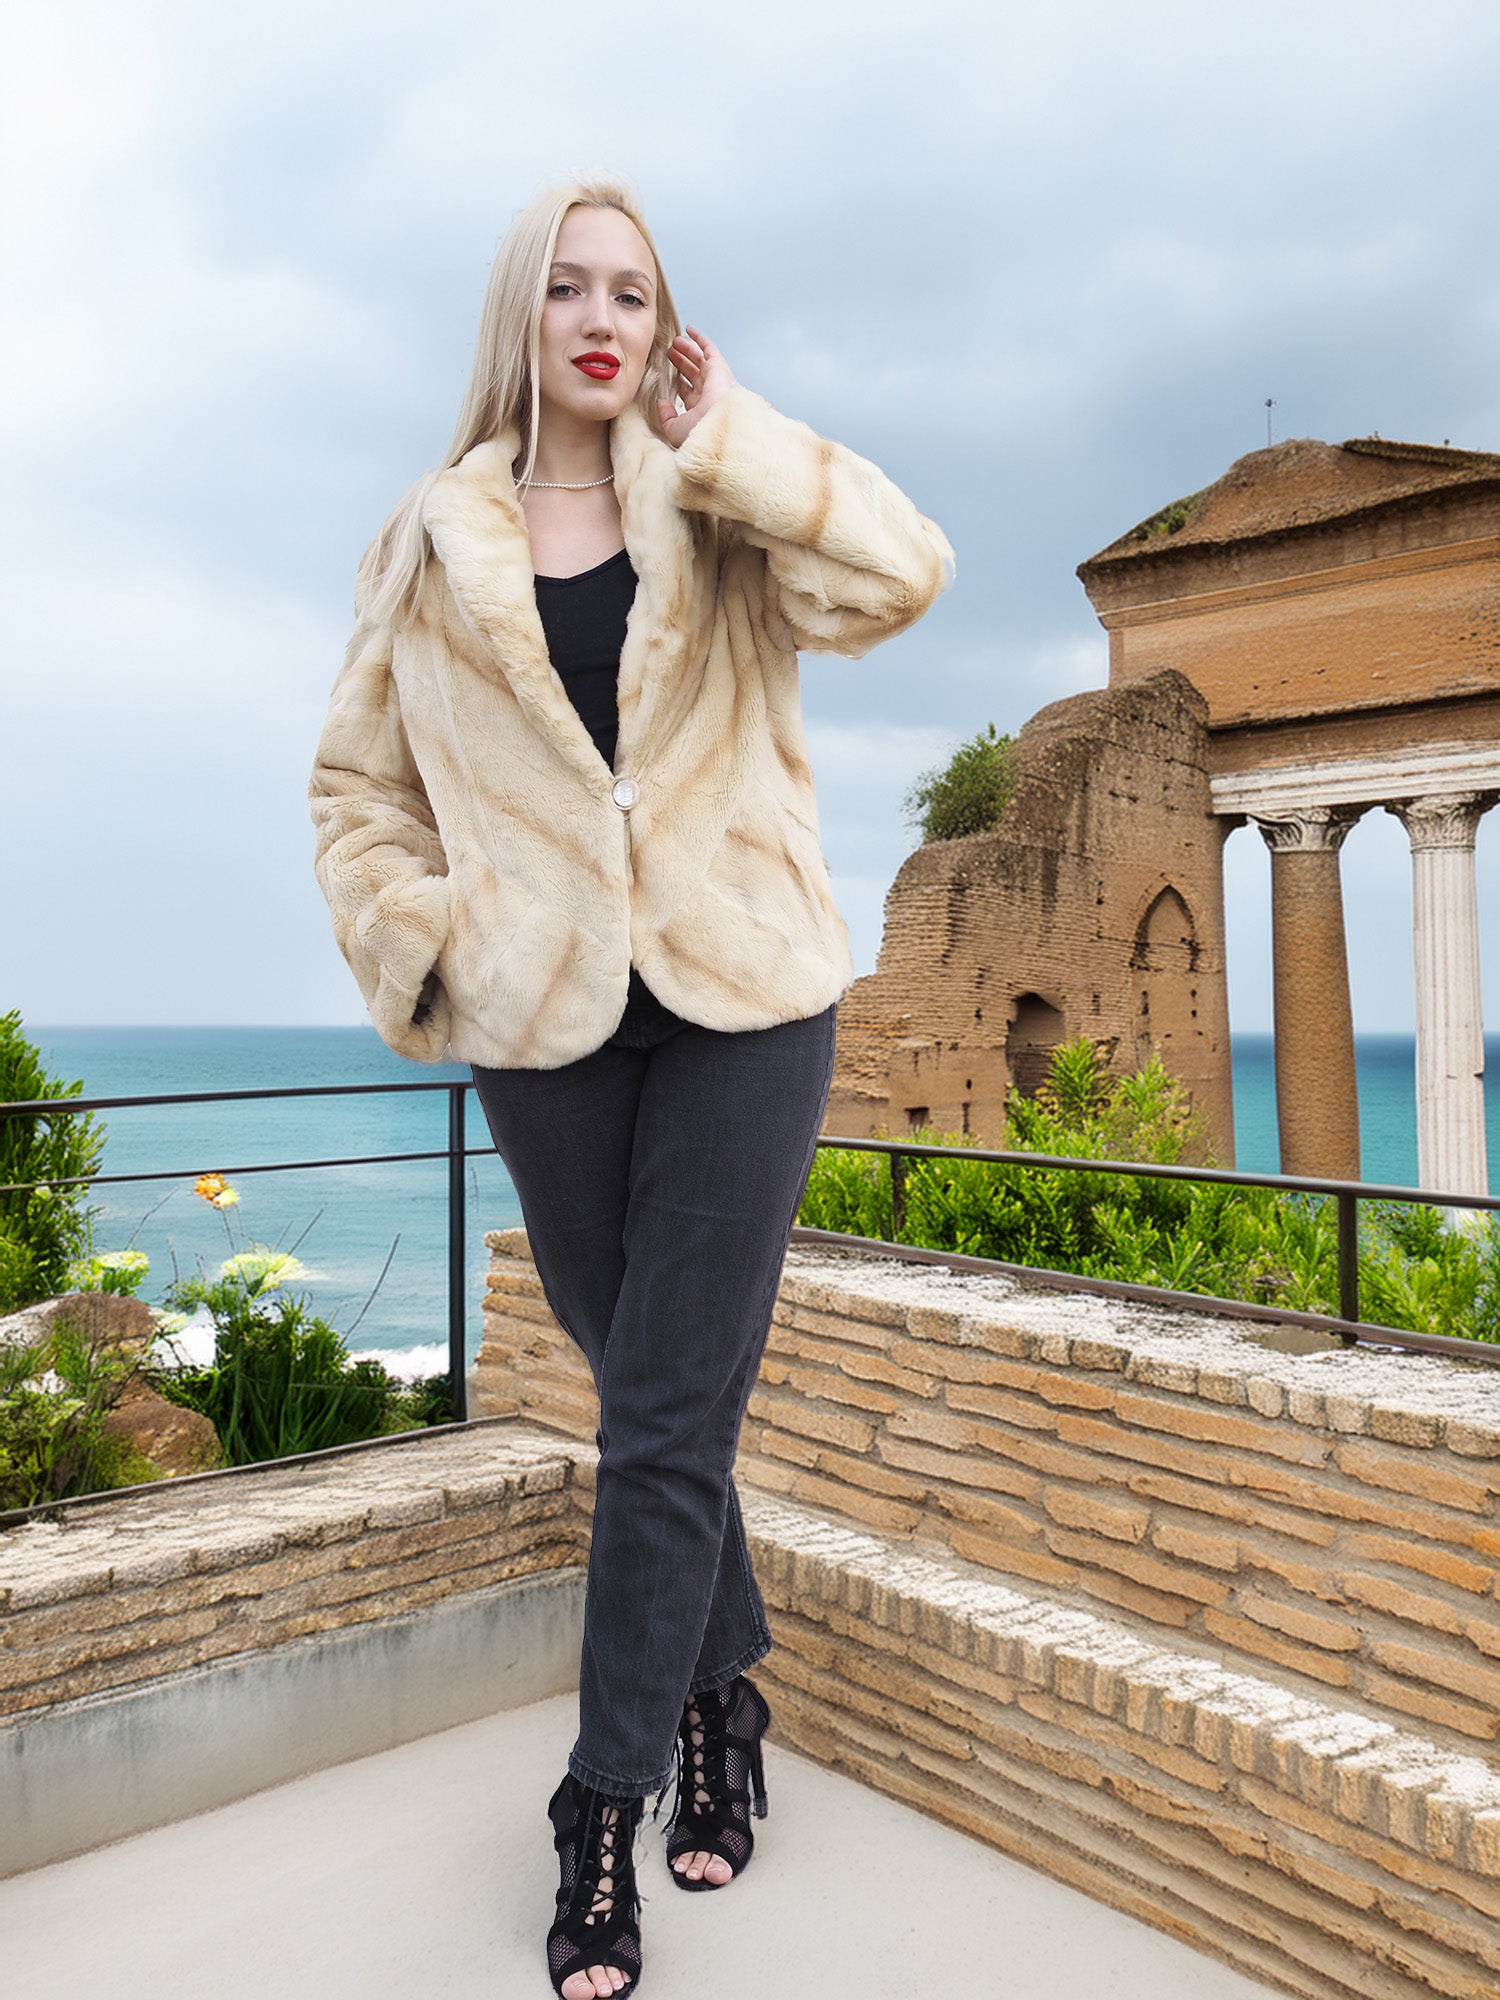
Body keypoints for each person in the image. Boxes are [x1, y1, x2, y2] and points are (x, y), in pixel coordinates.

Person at [309, 175, 954, 2000]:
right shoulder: (429, 546)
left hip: (746, 998)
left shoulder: (713, 496)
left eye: (634, 291)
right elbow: (355, 794)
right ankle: (725, 1688)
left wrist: (731, 433)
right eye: (570, 288)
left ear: (665, 322)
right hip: (548, 1029)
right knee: (643, 1388)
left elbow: (904, 577)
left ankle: (602, 1802)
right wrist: (433, 939)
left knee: (663, 1416)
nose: (601, 317)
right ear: (523, 312)